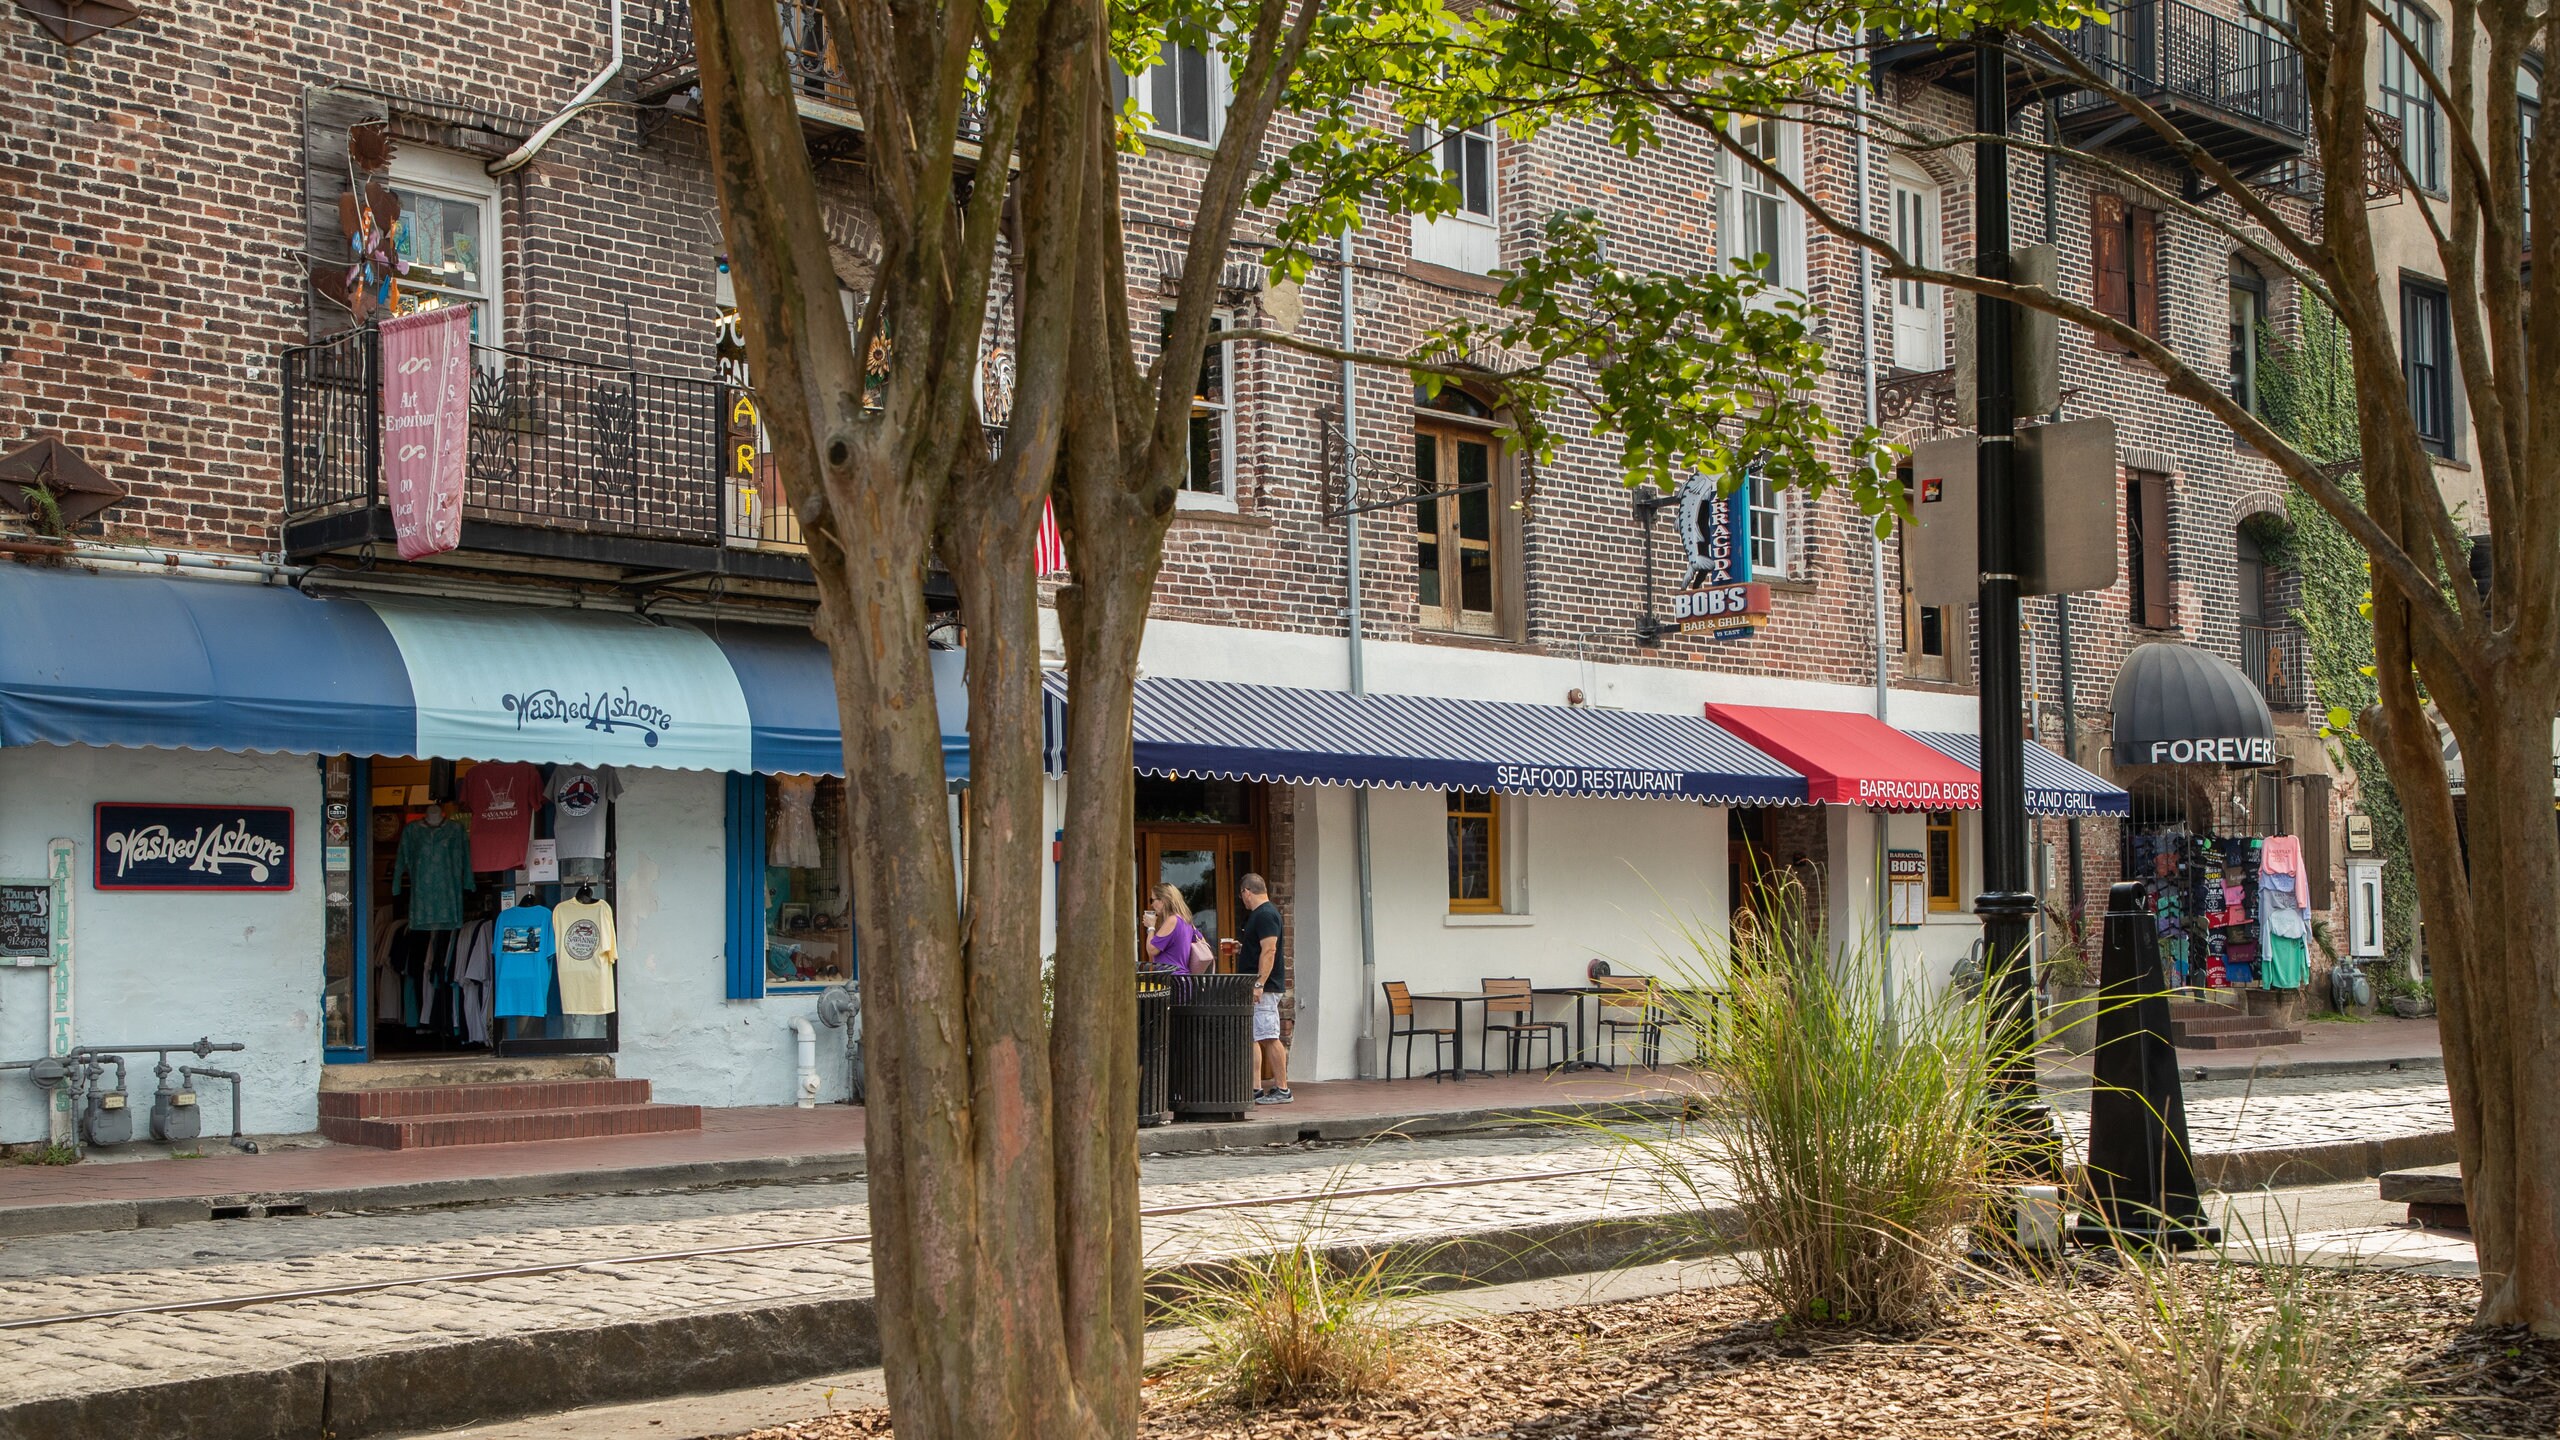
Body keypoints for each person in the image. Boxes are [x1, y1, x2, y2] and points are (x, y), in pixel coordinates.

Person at [1235, 873, 1289, 1104]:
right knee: (1254, 1036)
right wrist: (1242, 949)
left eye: (1242, 895)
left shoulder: (1266, 914)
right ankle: (1255, 1088)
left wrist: (1259, 984)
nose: (1242, 900)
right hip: (1257, 985)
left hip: (1264, 988)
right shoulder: (1261, 915)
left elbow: (1269, 950)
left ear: (1247, 892)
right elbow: (1261, 949)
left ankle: (1283, 1089)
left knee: (1269, 1036)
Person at [1143, 883, 1207, 973]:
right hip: (1183, 977)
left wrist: (1151, 927)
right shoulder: (1186, 920)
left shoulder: (1172, 920)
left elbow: (1152, 950)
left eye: (1152, 900)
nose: (1152, 905)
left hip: (1171, 978)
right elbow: (1202, 942)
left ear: (1162, 900)